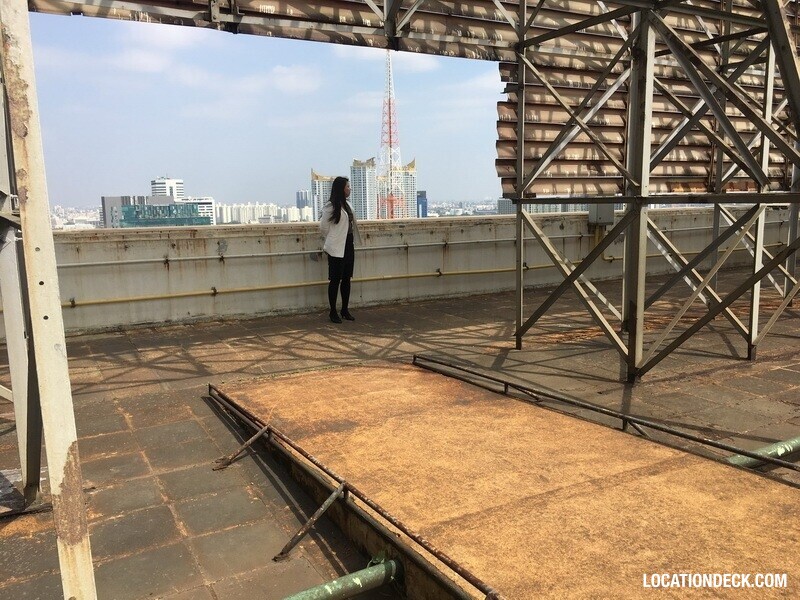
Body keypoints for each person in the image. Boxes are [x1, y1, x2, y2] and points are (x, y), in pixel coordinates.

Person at [320, 176, 361, 323]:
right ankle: (333, 312)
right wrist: (333, 239)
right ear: (341, 189)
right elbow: (323, 228)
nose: (349, 189)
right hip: (337, 246)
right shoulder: (331, 206)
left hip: (349, 244)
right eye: (347, 187)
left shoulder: (348, 205)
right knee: (335, 279)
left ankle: (345, 309)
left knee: (346, 279)